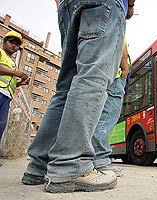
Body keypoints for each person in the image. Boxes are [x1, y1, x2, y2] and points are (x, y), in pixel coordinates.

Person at [21, 0, 136, 193]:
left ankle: (38, 166)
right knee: (92, 79)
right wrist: (130, 5)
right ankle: (70, 166)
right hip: (103, 4)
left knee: (65, 89)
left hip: (68, 6)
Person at [92, 38, 131, 177]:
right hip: (116, 78)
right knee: (107, 116)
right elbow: (120, 44)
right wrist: (125, 68)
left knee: (100, 117)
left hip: (105, 75)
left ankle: (94, 158)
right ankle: (100, 159)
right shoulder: (117, 20)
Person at [0, 31, 30, 142]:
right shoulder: (1, 53)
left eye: (17, 44)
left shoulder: (12, 62)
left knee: (1, 125)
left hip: (7, 97)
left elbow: (10, 81)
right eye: (11, 42)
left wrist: (20, 83)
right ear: (4, 42)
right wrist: (14, 73)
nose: (14, 46)